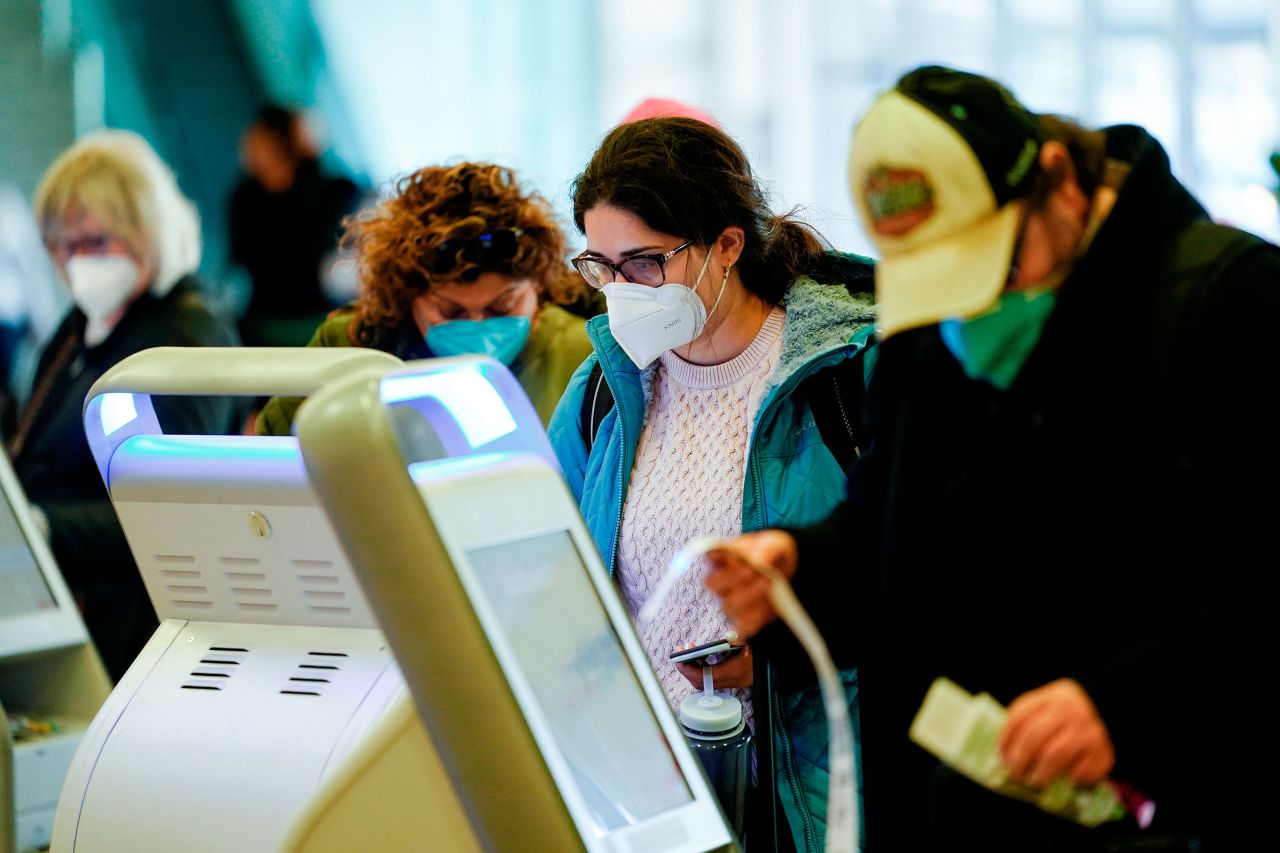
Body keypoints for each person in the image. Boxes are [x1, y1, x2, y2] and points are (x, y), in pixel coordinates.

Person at [703, 65, 1279, 851]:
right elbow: (888, 539)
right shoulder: (927, 328)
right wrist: (798, 571)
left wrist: (1124, 705)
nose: (972, 312)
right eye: (946, 285)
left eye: (996, 270)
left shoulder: (1221, 300)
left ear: (1057, 184)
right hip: (947, 810)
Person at [547, 116, 876, 852]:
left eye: (644, 263)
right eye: (600, 265)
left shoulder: (842, 380)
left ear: (727, 245)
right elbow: (549, 564)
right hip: (638, 792)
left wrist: (774, 656)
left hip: (791, 791)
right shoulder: (605, 388)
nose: (620, 290)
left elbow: (907, 575)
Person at [12, 130, 242, 681]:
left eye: (93, 244)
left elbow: (174, 517)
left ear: (147, 230)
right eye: (60, 247)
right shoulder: (84, 324)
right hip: (67, 600)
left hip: (133, 629)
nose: (75, 265)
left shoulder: (184, 335)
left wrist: (40, 526)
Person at [256, 161, 594, 434]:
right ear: (404, 297)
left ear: (539, 285)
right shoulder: (351, 348)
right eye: (450, 311)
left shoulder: (585, 354)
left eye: (502, 306)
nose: (477, 324)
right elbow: (267, 466)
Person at [229, 104, 364, 346]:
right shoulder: (244, 198)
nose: (248, 151)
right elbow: (240, 259)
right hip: (266, 321)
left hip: (323, 313)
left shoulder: (337, 190)